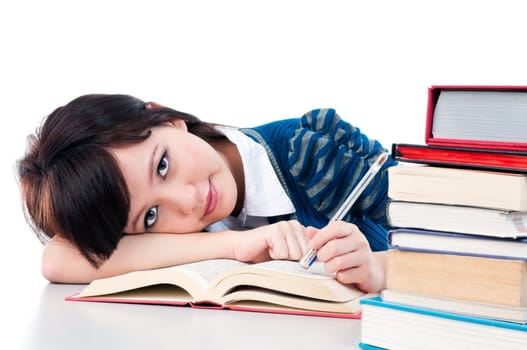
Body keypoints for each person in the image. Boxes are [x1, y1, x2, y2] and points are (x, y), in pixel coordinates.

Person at [16, 94, 395, 293]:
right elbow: (57, 260)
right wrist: (235, 245)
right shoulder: (190, 228)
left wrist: (378, 267)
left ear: (166, 118)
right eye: (150, 216)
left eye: (163, 165)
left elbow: (445, 239)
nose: (187, 200)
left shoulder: (312, 153)